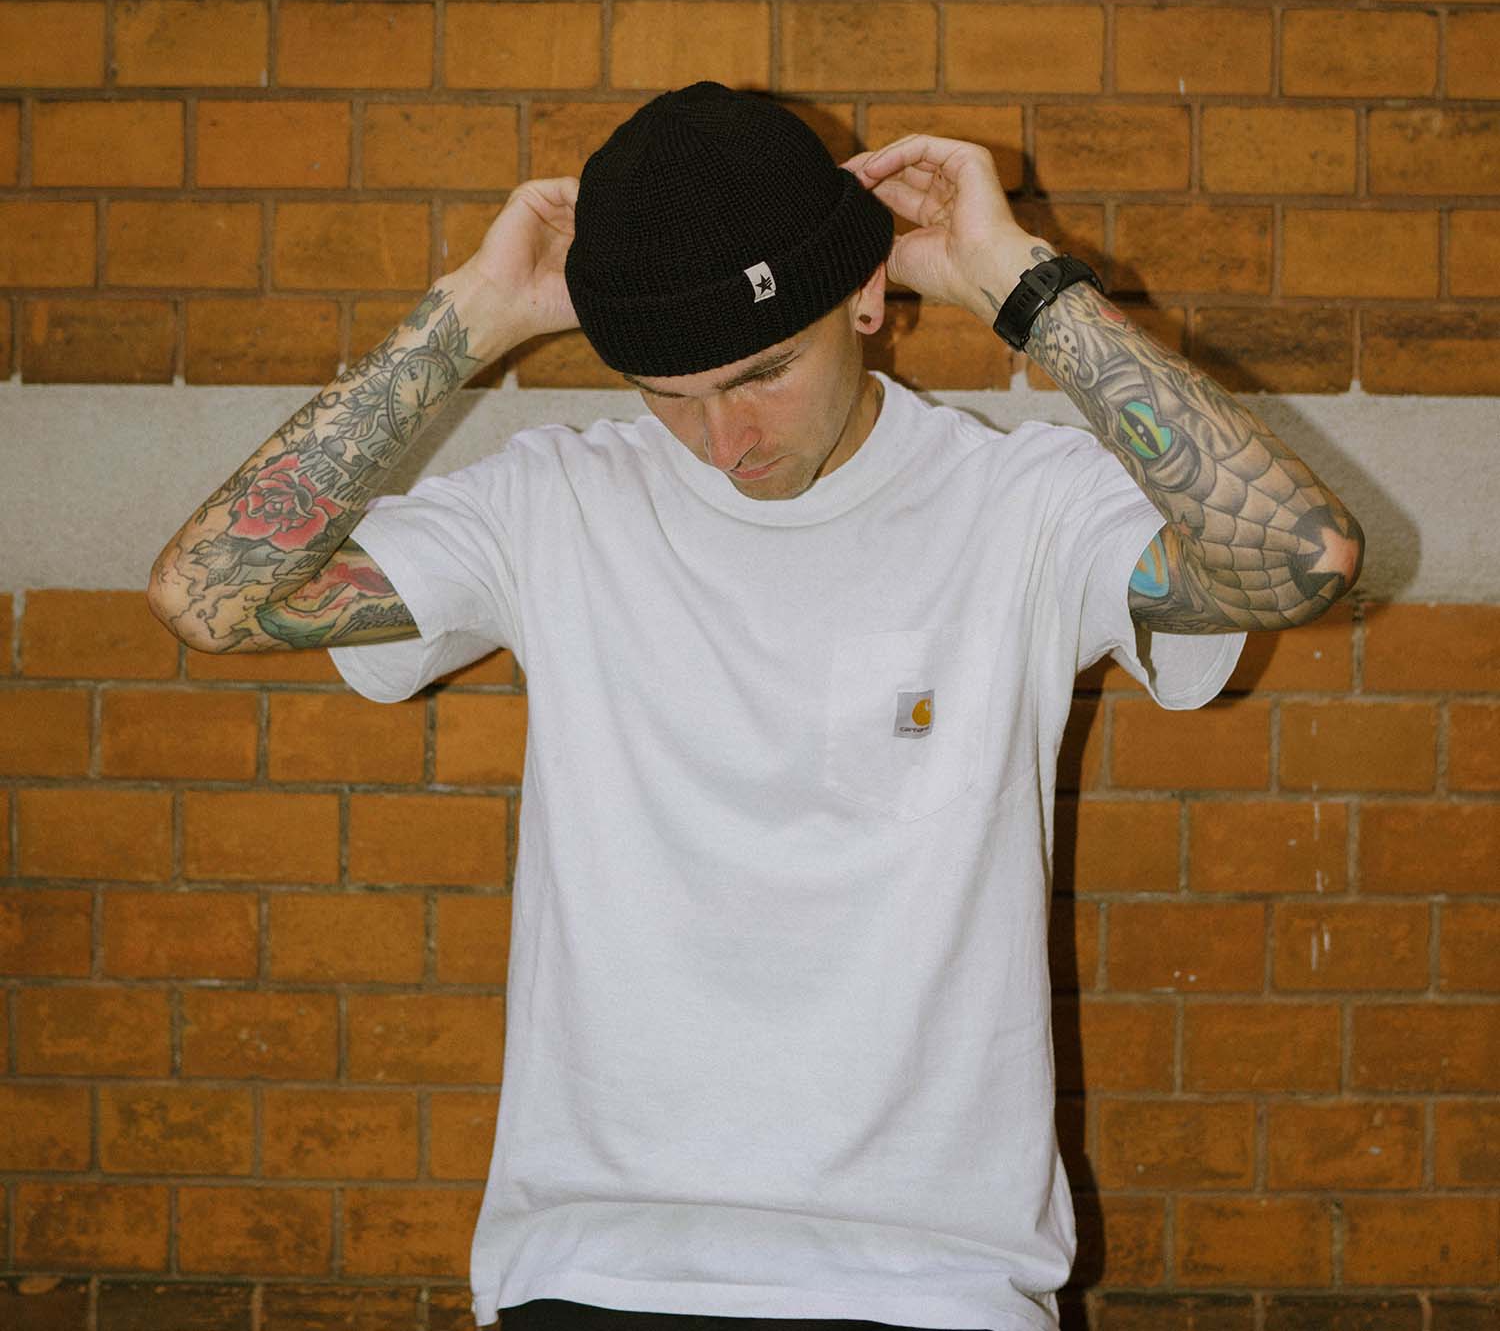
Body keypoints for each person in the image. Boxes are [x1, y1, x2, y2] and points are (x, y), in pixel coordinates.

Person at [148, 82, 1363, 1331]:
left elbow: (1301, 560)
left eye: (764, 374)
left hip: (934, 1288)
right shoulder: (550, 504)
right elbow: (209, 598)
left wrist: (1025, 283)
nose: (725, 441)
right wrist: (465, 321)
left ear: (867, 295)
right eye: (668, 393)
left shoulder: (1024, 506)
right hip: (597, 1271)